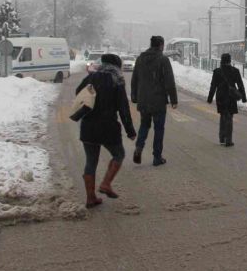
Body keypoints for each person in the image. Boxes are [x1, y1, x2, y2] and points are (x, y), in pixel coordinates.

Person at [75, 54, 136, 209]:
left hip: (88, 126)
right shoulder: (117, 81)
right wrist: (130, 130)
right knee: (119, 154)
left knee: (91, 162)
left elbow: (78, 93)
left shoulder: (91, 78)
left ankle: (90, 198)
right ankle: (106, 183)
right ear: (117, 66)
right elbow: (123, 109)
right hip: (108, 127)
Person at [131, 35, 178, 166]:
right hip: (158, 101)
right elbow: (169, 81)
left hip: (144, 101)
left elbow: (135, 79)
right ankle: (157, 157)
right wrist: (173, 99)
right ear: (161, 45)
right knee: (159, 129)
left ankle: (138, 148)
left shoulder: (140, 59)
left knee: (144, 126)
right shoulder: (163, 60)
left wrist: (134, 96)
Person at [207, 53, 247, 147]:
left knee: (223, 116)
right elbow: (240, 85)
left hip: (220, 96)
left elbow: (213, 86)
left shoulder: (217, 71)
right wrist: (243, 97)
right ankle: (228, 140)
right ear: (230, 60)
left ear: (221, 60)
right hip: (231, 97)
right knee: (229, 117)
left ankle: (222, 138)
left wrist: (210, 98)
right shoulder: (235, 71)